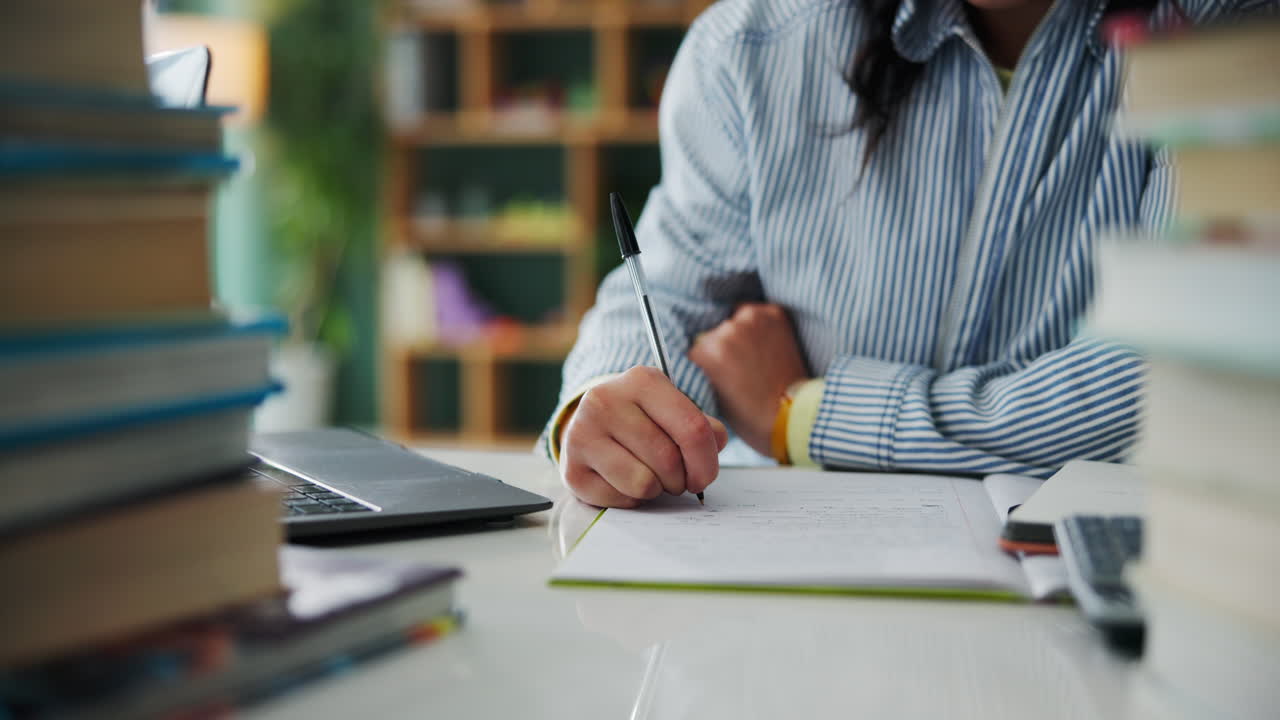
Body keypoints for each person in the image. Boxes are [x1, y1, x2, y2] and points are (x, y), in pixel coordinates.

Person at [545, 0, 1275, 509]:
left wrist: (806, 416)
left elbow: (1172, 376)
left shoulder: (1233, 40)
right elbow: (668, 297)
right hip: (776, 583)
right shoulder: (752, 44)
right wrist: (612, 402)